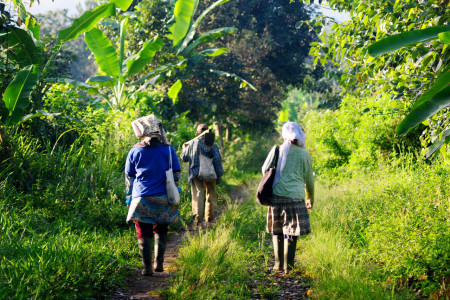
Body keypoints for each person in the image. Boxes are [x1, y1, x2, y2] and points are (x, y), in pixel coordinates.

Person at [125, 114, 181, 276]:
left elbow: (130, 177)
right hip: (164, 197)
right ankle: (159, 264)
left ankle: (147, 268)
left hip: (141, 197)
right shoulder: (169, 150)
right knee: (162, 228)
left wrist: (129, 198)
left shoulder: (135, 151)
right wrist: (175, 190)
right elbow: (176, 174)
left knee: (143, 231)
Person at [261, 122, 314, 275]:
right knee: (291, 231)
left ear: (285, 134)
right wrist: (310, 197)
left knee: (277, 230)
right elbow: (309, 179)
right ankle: (288, 267)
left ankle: (277, 265)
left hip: (277, 194)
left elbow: (265, 169)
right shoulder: (304, 154)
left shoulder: (277, 149)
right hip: (296, 197)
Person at [181, 124, 223, 226]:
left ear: (197, 133)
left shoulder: (191, 144)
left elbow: (184, 158)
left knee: (197, 194)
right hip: (210, 173)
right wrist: (219, 175)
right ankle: (209, 219)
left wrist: (184, 148)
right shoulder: (212, 144)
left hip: (195, 173)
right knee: (211, 194)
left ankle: (197, 220)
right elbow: (217, 160)